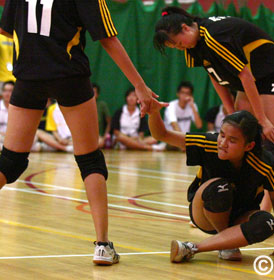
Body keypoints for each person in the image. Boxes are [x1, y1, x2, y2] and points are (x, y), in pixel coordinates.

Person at [0, 0, 166, 266]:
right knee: (90, 160)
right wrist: (140, 85)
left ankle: (103, 245)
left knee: (10, 161)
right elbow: (108, 38)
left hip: (28, 75)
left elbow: (7, 30)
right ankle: (102, 245)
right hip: (69, 75)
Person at [147, 104, 274, 262]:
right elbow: (163, 134)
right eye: (222, 135)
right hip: (205, 212)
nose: (223, 143)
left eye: (232, 140)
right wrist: (153, 112)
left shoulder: (265, 163)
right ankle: (227, 244)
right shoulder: (209, 143)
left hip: (239, 215)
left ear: (249, 146)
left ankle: (191, 248)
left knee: (267, 223)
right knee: (221, 188)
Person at [154, 6, 274, 175]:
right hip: (251, 75)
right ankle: (247, 190)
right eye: (174, 47)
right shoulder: (193, 47)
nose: (179, 48)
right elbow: (215, 75)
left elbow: (245, 75)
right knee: (239, 132)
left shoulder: (214, 36)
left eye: (179, 43)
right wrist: (230, 111)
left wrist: (262, 119)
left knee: (268, 138)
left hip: (272, 71)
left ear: (185, 28)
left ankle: (271, 199)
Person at [92, 83, 111, 149]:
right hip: (84, 136)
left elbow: (109, 122)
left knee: (100, 143)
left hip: (98, 136)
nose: (91, 94)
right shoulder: (82, 105)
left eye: (94, 92)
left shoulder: (102, 105)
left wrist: (105, 137)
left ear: (97, 94)